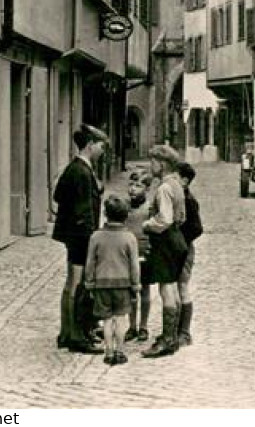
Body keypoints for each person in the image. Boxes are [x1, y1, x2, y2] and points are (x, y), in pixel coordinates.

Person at [52, 124, 108, 353]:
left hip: (73, 237)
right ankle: (76, 336)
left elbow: (58, 196)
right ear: (90, 145)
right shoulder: (83, 172)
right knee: (77, 285)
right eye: (101, 146)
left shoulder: (73, 168)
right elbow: (84, 213)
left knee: (71, 283)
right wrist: (91, 240)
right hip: (81, 239)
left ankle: (68, 332)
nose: (103, 150)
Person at [141, 144, 188, 358]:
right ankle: (172, 336)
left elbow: (165, 219)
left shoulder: (164, 188)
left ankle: (168, 340)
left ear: (162, 164)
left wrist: (147, 224)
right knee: (173, 289)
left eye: (153, 161)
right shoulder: (177, 185)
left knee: (166, 289)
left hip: (166, 241)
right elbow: (181, 217)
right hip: (178, 239)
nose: (150, 165)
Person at [84, 195, 140, 366]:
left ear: (105, 214)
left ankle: (108, 351)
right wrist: (135, 284)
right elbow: (134, 265)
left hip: (102, 284)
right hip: (123, 285)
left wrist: (89, 282)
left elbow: (90, 262)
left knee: (107, 320)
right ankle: (120, 350)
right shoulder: (129, 238)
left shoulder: (96, 237)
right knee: (121, 318)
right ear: (126, 215)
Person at [123, 175, 154, 343]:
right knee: (131, 291)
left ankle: (143, 326)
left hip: (144, 252)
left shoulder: (149, 209)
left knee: (145, 290)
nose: (133, 189)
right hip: (128, 254)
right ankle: (132, 325)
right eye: (131, 184)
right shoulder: (125, 207)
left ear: (147, 189)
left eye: (138, 185)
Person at [176, 161, 203, 348]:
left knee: (183, 287)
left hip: (184, 249)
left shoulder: (189, 201)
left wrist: (181, 240)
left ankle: (184, 333)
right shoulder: (178, 197)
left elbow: (197, 228)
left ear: (184, 180)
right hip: (177, 248)